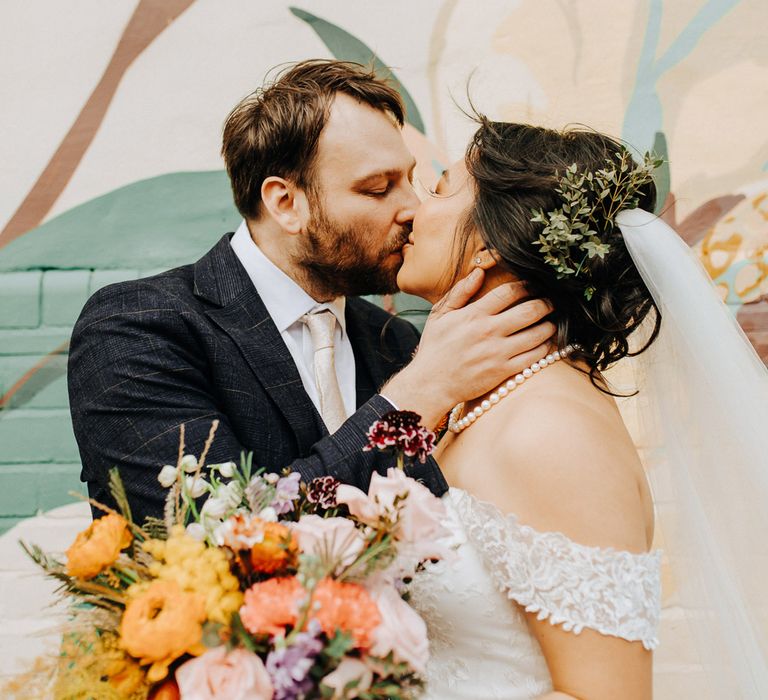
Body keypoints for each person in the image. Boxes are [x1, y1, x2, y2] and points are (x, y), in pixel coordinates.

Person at [66, 61, 554, 526]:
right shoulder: (137, 329)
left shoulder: (399, 343)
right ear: (286, 203)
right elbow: (214, 543)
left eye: (410, 179)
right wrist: (414, 396)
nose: (414, 207)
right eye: (378, 188)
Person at [400, 119, 768, 698]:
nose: (411, 212)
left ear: (493, 240)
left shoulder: (554, 432)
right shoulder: (480, 405)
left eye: (441, 189)